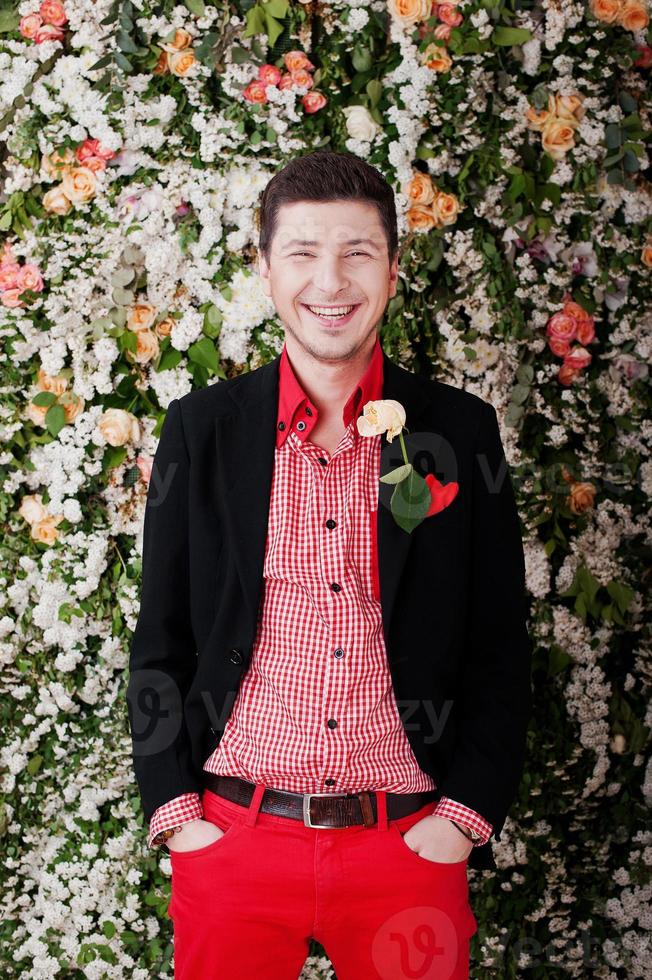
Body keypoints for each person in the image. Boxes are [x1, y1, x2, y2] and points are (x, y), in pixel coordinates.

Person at [126, 149, 532, 979]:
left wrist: (462, 817)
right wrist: (176, 815)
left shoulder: (459, 432)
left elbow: (501, 642)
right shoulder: (200, 430)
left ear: (392, 269)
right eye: (304, 252)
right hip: (234, 842)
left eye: (357, 252)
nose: (331, 281)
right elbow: (159, 640)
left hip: (406, 846)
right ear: (266, 267)